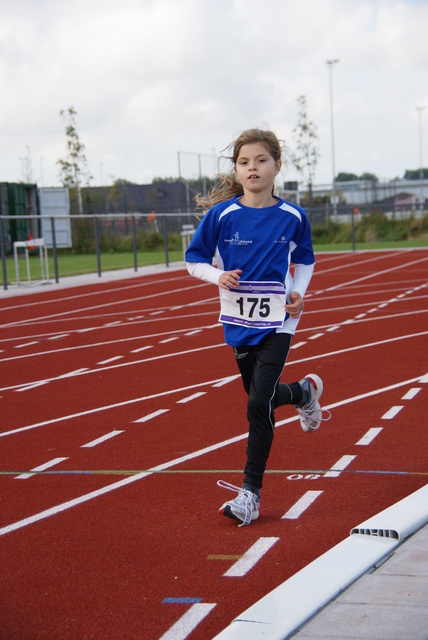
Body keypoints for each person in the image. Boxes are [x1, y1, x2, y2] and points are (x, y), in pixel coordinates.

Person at [185, 128, 327, 526]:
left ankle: (251, 494)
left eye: (260, 160)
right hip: (239, 320)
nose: (252, 168)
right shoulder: (223, 215)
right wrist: (218, 277)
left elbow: (307, 260)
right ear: (237, 169)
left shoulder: (293, 216)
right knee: (259, 396)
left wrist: (298, 292)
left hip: (280, 320)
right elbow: (193, 259)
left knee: (255, 404)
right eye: (244, 162)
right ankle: (303, 392)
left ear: (276, 166)